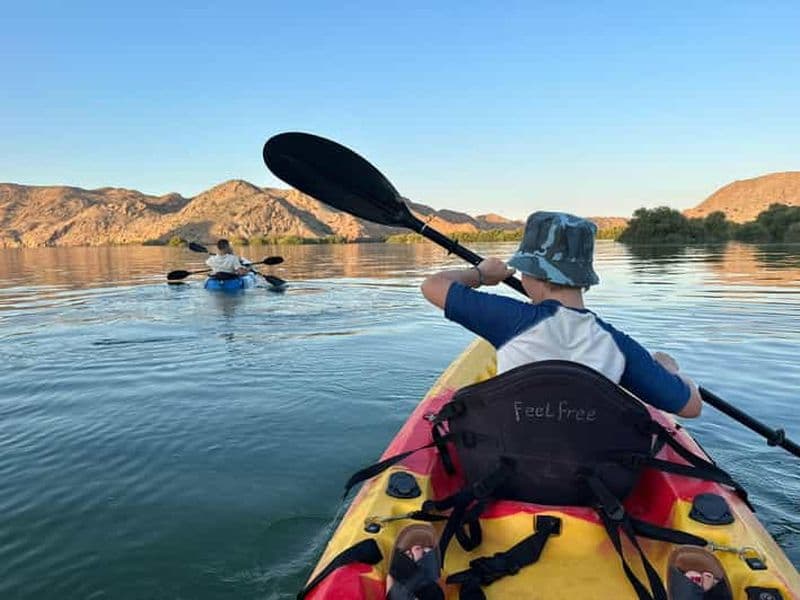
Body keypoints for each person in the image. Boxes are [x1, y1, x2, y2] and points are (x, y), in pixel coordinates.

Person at [421, 211, 702, 418]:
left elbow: (432, 286)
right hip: (594, 485)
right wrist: (669, 370)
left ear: (532, 274)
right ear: (584, 278)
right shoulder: (618, 345)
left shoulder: (510, 320)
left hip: (511, 470)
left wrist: (481, 273)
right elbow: (691, 407)